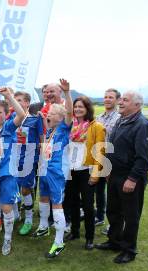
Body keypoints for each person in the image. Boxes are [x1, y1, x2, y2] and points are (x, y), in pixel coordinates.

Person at [95, 91, 148, 264]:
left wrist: (133, 179)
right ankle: (114, 241)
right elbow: (112, 148)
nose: (120, 102)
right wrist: (108, 170)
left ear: (137, 105)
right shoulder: (121, 121)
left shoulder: (143, 125)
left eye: (125, 100)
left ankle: (129, 249)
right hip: (114, 175)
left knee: (131, 215)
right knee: (113, 211)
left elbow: (144, 158)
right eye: (121, 99)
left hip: (129, 178)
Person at [0, 86, 28, 256]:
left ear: (6, 114)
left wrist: (8, 95)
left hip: (7, 174)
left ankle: (7, 239)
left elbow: (22, 114)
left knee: (7, 208)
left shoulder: (8, 127)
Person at [34, 79, 73, 258]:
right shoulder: (50, 131)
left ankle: (59, 242)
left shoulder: (64, 128)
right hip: (45, 169)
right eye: (48, 113)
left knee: (57, 204)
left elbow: (70, 113)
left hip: (56, 172)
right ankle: (43, 227)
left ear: (60, 117)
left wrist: (67, 93)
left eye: (51, 114)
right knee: (43, 198)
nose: (48, 115)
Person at [63, 96, 105, 250]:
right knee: (72, 203)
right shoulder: (71, 125)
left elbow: (100, 151)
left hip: (86, 171)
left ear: (88, 109)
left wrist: (95, 174)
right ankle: (74, 232)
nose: (78, 109)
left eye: (81, 107)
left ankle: (89, 237)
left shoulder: (96, 127)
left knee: (87, 206)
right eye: (76, 107)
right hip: (71, 170)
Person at [11, 91, 44, 236]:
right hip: (13, 159)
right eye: (15, 100)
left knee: (25, 190)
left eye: (19, 100)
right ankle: (16, 214)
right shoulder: (12, 118)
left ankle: (29, 220)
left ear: (27, 103)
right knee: (13, 188)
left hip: (29, 160)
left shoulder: (36, 119)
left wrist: (42, 158)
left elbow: (42, 140)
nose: (16, 102)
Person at [95, 89, 121, 227]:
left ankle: (114, 223)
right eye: (105, 97)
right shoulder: (99, 117)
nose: (107, 99)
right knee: (98, 191)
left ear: (117, 100)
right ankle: (99, 216)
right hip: (99, 159)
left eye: (111, 97)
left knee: (113, 193)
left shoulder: (120, 118)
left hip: (113, 160)